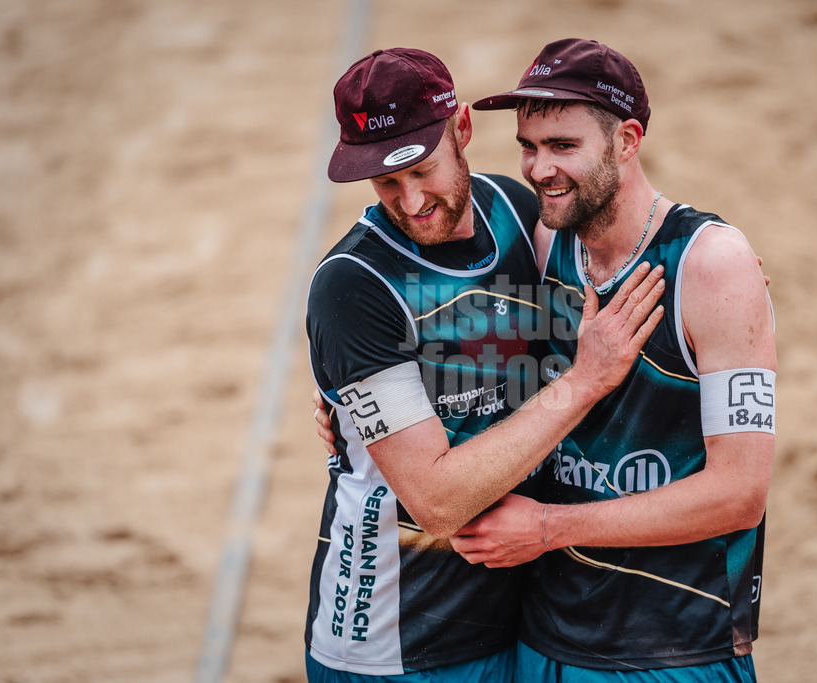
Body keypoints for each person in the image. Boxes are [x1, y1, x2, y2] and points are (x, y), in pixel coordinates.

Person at [303, 47, 666, 682]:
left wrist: (718, 272)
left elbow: (631, 255)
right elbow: (438, 503)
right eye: (386, 182)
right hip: (396, 639)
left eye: (423, 169)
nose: (412, 201)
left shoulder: (521, 213)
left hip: (520, 617)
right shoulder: (351, 286)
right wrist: (581, 385)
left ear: (462, 129)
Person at [446, 38, 777, 682]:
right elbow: (454, 339)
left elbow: (740, 494)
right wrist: (348, 399)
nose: (539, 169)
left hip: (673, 649)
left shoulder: (713, 263)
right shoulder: (545, 244)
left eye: (564, 146)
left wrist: (545, 526)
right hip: (543, 639)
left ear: (627, 140)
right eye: (528, 146)